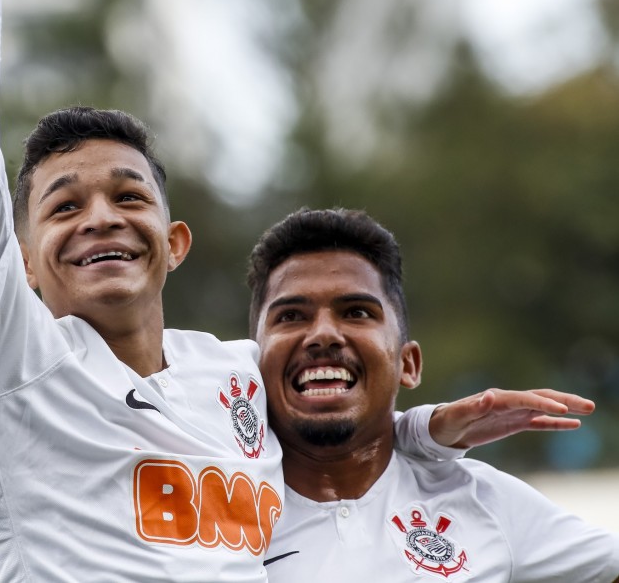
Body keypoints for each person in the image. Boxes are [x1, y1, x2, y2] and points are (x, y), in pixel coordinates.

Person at [0, 0, 596, 580]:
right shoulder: (6, 360)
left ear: (173, 241)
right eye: (65, 206)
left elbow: (341, 400)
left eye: (128, 196)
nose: (100, 216)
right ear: (23, 259)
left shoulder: (232, 373)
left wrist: (429, 429)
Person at [250, 208, 619, 582]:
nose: (324, 334)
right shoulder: (210, 508)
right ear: (250, 362)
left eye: (356, 312)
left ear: (407, 364)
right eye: (291, 316)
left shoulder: (484, 502)